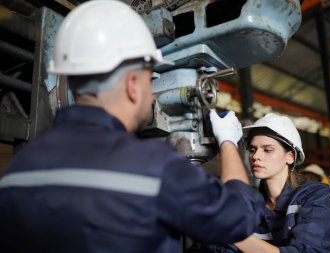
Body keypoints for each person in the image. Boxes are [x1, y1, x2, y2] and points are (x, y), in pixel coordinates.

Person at [0, 1, 265, 252]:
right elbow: (238, 218)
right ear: (132, 84)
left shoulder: (18, 170)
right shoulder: (154, 169)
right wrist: (228, 141)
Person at [208, 112, 330, 253]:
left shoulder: (318, 196)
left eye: (268, 150)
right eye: (253, 149)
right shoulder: (253, 206)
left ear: (290, 157)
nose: (255, 156)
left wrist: (234, 234)